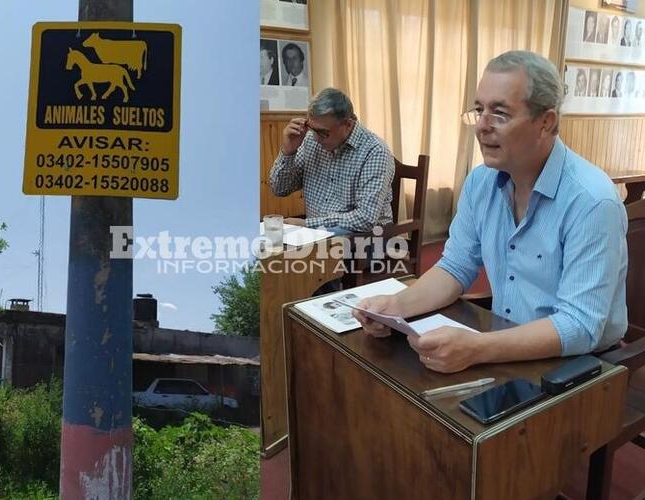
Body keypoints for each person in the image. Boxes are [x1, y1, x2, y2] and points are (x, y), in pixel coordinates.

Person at [354, 50, 627, 373]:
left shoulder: (592, 201)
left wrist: (478, 349)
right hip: (505, 342)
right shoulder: (481, 182)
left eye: (499, 113)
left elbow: (579, 326)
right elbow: (455, 267)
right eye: (479, 109)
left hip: (583, 364)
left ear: (545, 122)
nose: (482, 126)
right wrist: (396, 307)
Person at [269, 87, 394, 235]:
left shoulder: (374, 151)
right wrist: (288, 151)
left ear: (348, 124)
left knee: (294, 256)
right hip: (316, 235)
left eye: (323, 132)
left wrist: (308, 224)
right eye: (311, 128)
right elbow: (279, 189)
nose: (315, 138)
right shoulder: (310, 140)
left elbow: (365, 219)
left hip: (364, 239)